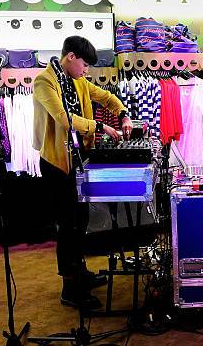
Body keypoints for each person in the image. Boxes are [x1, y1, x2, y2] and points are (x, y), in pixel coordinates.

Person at [33, 36, 133, 308]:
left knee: (80, 219)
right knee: (68, 224)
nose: (86, 69)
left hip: (77, 157)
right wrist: (101, 127)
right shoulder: (44, 82)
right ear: (70, 57)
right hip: (57, 163)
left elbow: (106, 96)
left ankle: (80, 273)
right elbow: (65, 119)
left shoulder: (77, 81)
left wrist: (123, 114)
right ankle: (70, 288)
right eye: (85, 64)